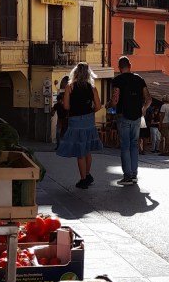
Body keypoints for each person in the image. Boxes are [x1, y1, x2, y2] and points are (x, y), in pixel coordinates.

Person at [56, 62, 103, 188]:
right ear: (88, 74)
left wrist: (76, 108)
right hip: (89, 121)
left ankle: (83, 180)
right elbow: (98, 106)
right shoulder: (92, 88)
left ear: (75, 73)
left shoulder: (69, 87)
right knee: (87, 150)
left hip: (75, 121)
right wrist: (89, 111)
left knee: (80, 152)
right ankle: (87, 175)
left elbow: (66, 106)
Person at [111, 55, 151, 186]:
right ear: (130, 66)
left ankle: (127, 176)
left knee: (125, 146)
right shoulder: (139, 79)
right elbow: (148, 99)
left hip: (123, 116)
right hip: (136, 117)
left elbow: (115, 100)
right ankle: (134, 175)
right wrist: (143, 109)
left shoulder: (118, 80)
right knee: (134, 145)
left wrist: (109, 104)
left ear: (119, 67)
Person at [52, 75, 69, 149]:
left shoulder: (64, 105)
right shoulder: (57, 105)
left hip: (65, 120)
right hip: (60, 120)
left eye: (60, 100)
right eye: (58, 100)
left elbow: (68, 111)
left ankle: (64, 145)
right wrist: (52, 113)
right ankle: (59, 145)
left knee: (64, 133)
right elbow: (53, 111)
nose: (59, 101)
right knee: (58, 133)